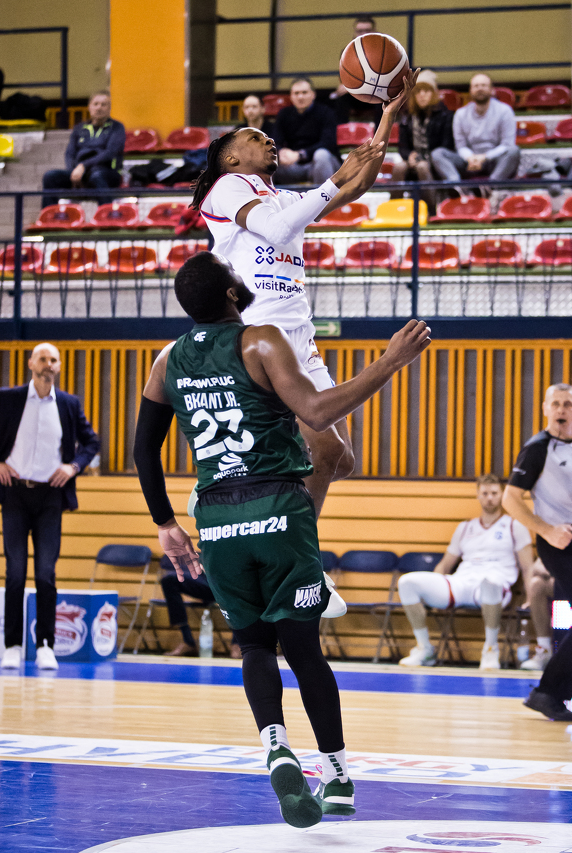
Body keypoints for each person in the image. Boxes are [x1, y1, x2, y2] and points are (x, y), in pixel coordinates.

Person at [133, 249, 431, 827]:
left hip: (217, 520)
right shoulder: (260, 340)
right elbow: (317, 412)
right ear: (230, 292)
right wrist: (390, 361)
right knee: (302, 649)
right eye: (234, 274)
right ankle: (337, 776)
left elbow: (144, 449)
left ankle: (276, 747)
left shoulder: (166, 360)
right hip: (276, 509)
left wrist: (166, 524)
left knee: (252, 646)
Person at [194, 73, 416, 518]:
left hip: (300, 336)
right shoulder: (227, 188)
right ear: (231, 158)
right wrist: (336, 177)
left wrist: (388, 115)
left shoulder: (285, 199)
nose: (269, 139)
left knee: (341, 460)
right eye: (256, 137)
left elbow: (358, 186)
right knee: (325, 449)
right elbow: (279, 230)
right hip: (259, 336)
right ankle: (292, 540)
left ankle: (253, 490)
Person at [0, 343, 100, 672]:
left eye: (53, 360)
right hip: (15, 494)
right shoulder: (9, 398)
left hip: (50, 496)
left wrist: (73, 467)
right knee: (15, 572)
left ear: (59, 366)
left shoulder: (69, 404)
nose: (48, 364)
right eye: (43, 358)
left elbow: (92, 441)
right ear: (30, 364)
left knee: (46, 574)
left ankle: (45, 645)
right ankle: (12, 645)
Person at [502, 383, 572, 721]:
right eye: (556, 404)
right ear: (546, 409)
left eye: (568, 404)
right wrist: (547, 530)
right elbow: (510, 499)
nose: (562, 410)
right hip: (560, 546)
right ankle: (548, 694)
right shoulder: (537, 449)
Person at [397, 474, 533, 670]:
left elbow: (528, 567)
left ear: (502, 495)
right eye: (485, 493)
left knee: (490, 582)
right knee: (406, 582)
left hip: (496, 585)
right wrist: (435, 590)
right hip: (462, 583)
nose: (489, 498)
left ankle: (491, 649)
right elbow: (445, 565)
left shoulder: (514, 526)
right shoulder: (465, 527)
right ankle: (424, 648)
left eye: (494, 493)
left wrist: (529, 597)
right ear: (478, 495)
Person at [431, 73, 520, 185]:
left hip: (494, 161)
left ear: (492, 90)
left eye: (483, 85)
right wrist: (470, 158)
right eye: (476, 86)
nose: (480, 89)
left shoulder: (505, 111)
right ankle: (457, 186)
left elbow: (507, 144)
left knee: (513, 151)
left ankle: (491, 186)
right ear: (470, 91)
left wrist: (485, 157)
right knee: (438, 154)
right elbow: (460, 146)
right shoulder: (460, 114)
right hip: (468, 162)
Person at [42, 91, 125, 199]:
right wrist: (73, 172)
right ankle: (49, 210)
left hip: (107, 172)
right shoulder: (79, 128)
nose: (99, 108)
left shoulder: (117, 127)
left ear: (109, 108)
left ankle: (105, 209)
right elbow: (69, 154)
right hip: (80, 173)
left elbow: (110, 153)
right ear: (89, 107)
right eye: (96, 104)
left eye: (103, 104)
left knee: (97, 176)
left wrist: (83, 166)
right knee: (50, 177)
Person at [159, 555, 240, 658]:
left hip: (230, 582)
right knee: (169, 580)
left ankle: (237, 644)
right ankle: (187, 640)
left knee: (239, 582)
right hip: (207, 578)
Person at [273, 79, 341, 186]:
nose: (300, 97)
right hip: (293, 165)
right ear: (291, 96)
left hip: (320, 164)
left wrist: (300, 155)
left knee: (321, 155)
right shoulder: (284, 114)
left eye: (304, 92)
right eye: (296, 93)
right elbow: (276, 141)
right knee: (266, 161)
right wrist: (281, 152)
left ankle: (325, 196)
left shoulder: (326, 112)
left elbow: (328, 143)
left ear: (313, 95)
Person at [392, 70, 454, 182]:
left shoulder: (445, 116)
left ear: (433, 94)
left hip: (435, 160)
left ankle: (431, 195)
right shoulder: (406, 117)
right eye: (418, 91)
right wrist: (409, 156)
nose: (422, 94)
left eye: (426, 91)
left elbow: (446, 146)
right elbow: (402, 146)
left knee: (422, 167)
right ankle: (396, 195)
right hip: (415, 159)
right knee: (398, 167)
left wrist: (423, 158)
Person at [330, 16, 383, 126]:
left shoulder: (384, 50)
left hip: (376, 93)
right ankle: (342, 133)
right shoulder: (346, 51)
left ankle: (379, 135)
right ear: (354, 33)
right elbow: (345, 79)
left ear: (374, 32)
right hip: (356, 94)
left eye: (367, 30)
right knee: (340, 99)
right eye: (359, 31)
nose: (363, 34)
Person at [520, 557, 554, 671]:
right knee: (536, 585)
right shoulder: (554, 544)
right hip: (559, 579)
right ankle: (544, 650)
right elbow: (536, 567)